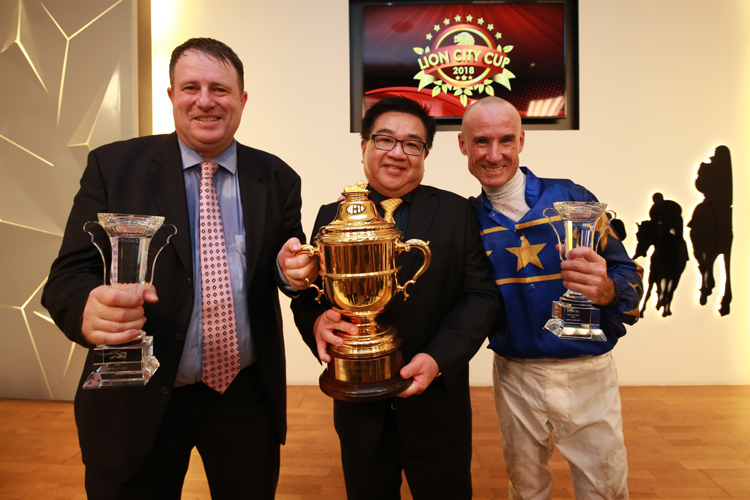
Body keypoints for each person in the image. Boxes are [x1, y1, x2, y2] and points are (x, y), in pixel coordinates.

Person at [42, 38, 313, 499]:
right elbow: (68, 276)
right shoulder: (113, 167)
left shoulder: (277, 177)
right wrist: (87, 307)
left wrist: (291, 272)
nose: (205, 100)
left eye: (220, 89)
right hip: (136, 395)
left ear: (242, 100)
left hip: (243, 397)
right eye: (191, 87)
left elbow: (284, 261)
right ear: (171, 96)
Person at [287, 96, 501, 500]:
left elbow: (482, 297)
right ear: (364, 146)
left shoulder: (459, 213)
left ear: (425, 155)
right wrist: (315, 322)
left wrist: (438, 359)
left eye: (413, 144)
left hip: (436, 407)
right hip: (357, 409)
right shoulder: (329, 216)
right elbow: (309, 296)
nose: (397, 153)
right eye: (384, 140)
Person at [458, 97, 643, 500]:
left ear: (522, 141)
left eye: (505, 140)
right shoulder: (466, 221)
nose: (494, 154)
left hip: (588, 372)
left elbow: (628, 279)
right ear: (463, 146)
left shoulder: (573, 198)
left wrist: (608, 289)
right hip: (514, 375)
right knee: (526, 489)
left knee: (605, 490)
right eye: (481, 141)